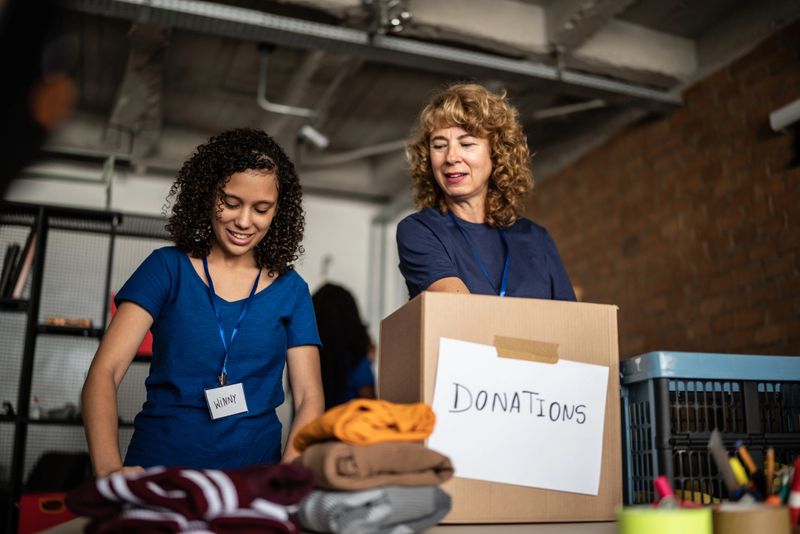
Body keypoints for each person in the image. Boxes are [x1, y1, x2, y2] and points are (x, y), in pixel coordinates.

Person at [81, 128, 324, 477]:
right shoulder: (166, 268)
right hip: (158, 472)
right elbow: (104, 372)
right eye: (231, 202)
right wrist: (108, 472)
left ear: (278, 212)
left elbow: (309, 397)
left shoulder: (292, 290)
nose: (243, 221)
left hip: (251, 481)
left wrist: (285, 476)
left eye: (261, 208)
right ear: (207, 195)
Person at [397, 83, 576, 301]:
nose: (451, 157)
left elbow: (568, 322)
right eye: (439, 145)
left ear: (496, 153)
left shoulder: (537, 239)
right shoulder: (420, 231)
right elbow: (458, 309)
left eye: (466, 144)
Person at [312, 283, 375, 409]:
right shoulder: (356, 359)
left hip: (311, 427)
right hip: (347, 426)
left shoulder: (307, 360)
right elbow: (370, 406)